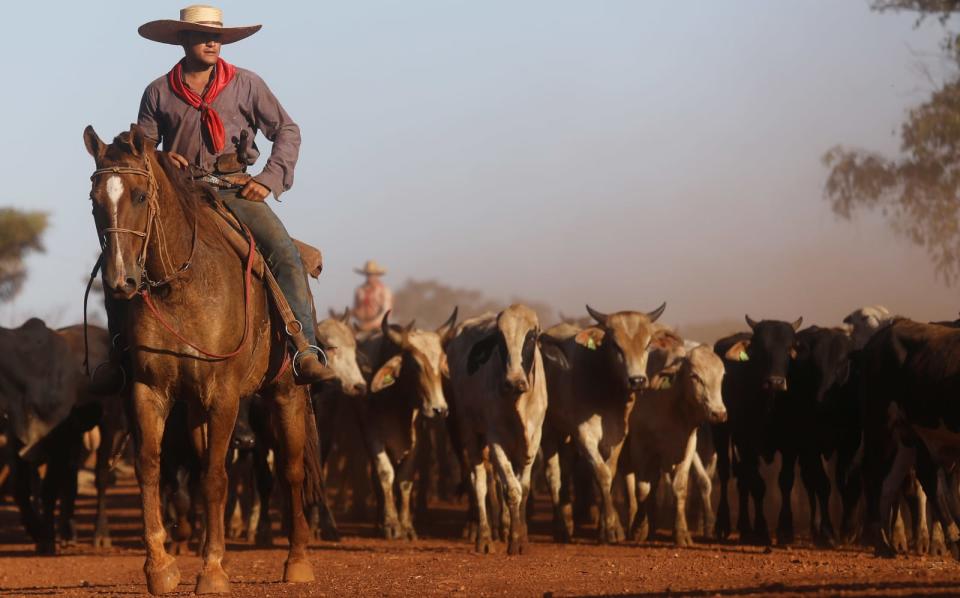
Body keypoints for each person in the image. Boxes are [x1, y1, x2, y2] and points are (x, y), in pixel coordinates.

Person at [134, 5, 333, 383]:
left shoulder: (247, 83)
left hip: (235, 189)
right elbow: (140, 149)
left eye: (218, 36)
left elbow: (287, 130)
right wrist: (160, 156)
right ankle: (121, 356)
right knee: (126, 261)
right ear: (182, 40)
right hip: (182, 193)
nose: (213, 42)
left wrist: (269, 178)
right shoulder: (157, 92)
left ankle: (304, 349)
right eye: (203, 35)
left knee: (285, 256)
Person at [352, 260, 393, 332]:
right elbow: (356, 308)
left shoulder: (384, 291)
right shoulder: (359, 290)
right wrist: (354, 314)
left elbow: (386, 312)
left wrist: (370, 325)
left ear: (377, 275)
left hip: (379, 328)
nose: (370, 277)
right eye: (368, 274)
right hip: (361, 326)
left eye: (372, 274)